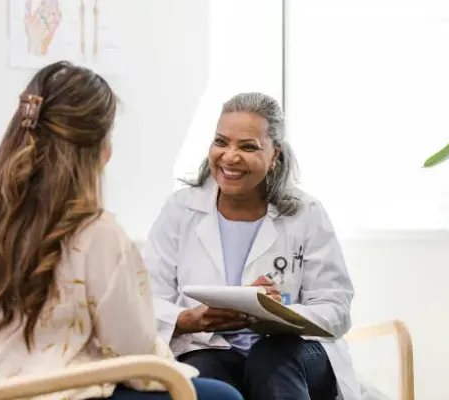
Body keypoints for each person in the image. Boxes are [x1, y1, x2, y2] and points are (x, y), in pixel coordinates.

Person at [0, 61, 242, 400]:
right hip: (52, 393)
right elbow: (135, 354)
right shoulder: (98, 234)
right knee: (221, 396)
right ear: (101, 149)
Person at [144, 92, 362, 400]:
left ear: (274, 156)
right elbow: (147, 300)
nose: (230, 156)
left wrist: (279, 314)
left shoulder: (306, 213)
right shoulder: (181, 209)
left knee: (270, 362)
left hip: (292, 352)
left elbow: (336, 309)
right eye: (221, 142)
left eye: (248, 147)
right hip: (209, 346)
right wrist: (188, 320)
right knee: (206, 379)